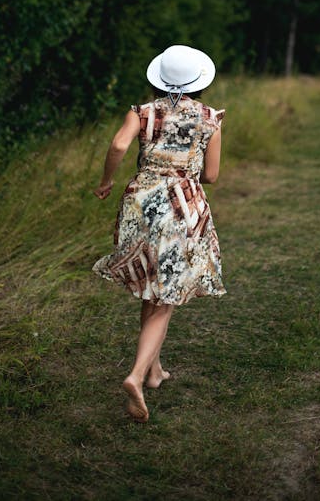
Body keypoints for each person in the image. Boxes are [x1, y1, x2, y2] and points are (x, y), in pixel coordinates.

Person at [92, 44, 226, 422]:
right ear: (199, 81)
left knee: (152, 283)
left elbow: (119, 144)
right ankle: (135, 375)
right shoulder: (210, 119)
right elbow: (212, 176)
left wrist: (106, 182)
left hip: (140, 200)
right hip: (182, 206)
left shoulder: (142, 112)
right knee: (166, 296)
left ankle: (153, 371)